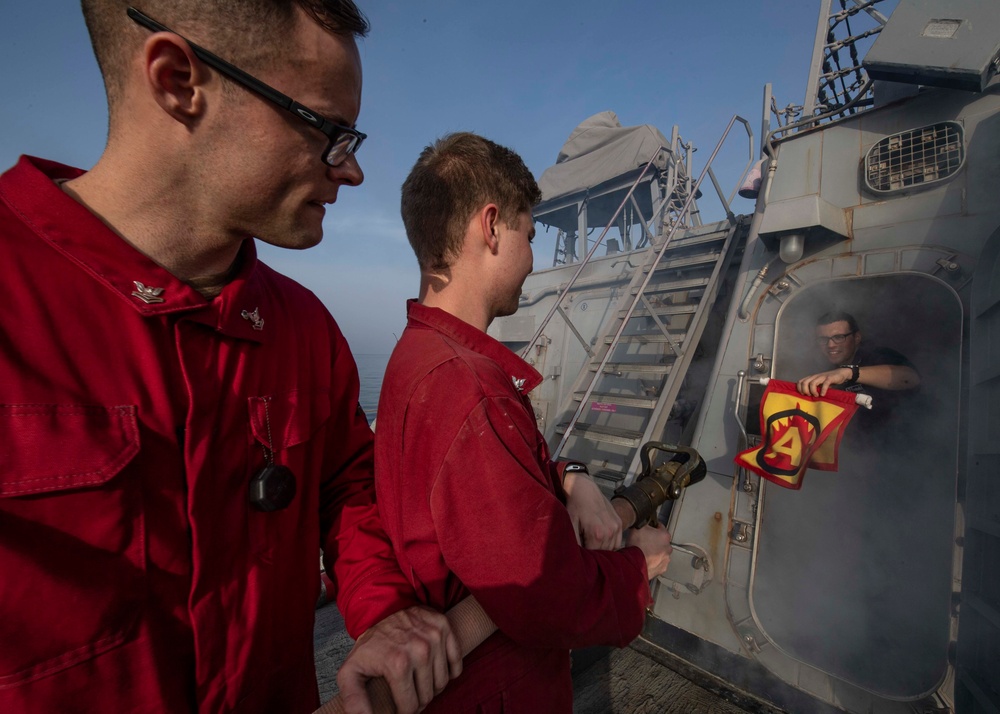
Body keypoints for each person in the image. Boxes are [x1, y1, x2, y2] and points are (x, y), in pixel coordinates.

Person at [0, 3, 462, 713]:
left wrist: (381, 608)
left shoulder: (305, 331)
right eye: (329, 132)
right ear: (179, 80)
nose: (354, 171)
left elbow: (347, 486)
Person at [374, 132, 674, 713]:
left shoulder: (416, 355)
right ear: (491, 227)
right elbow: (548, 598)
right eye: (529, 234)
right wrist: (640, 562)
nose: (533, 258)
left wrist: (570, 478)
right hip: (497, 690)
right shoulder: (470, 387)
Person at [796, 310, 920, 425]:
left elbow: (910, 379)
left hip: (898, 439)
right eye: (823, 339)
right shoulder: (822, 369)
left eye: (839, 337)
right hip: (853, 444)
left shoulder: (877, 355)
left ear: (857, 338)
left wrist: (847, 373)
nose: (831, 345)